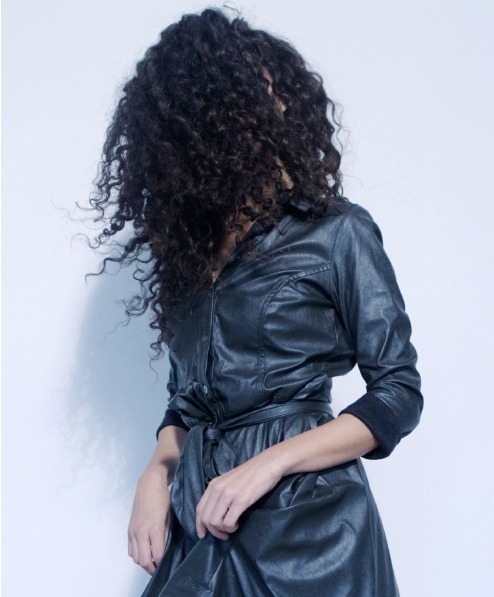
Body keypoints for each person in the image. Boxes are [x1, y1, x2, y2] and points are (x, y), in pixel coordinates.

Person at [87, 7, 423, 596]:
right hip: (203, 519)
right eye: (237, 109)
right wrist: (155, 473)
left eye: (266, 104)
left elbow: (398, 392)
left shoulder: (336, 233)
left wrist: (271, 462)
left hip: (310, 537)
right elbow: (186, 403)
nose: (266, 121)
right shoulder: (187, 260)